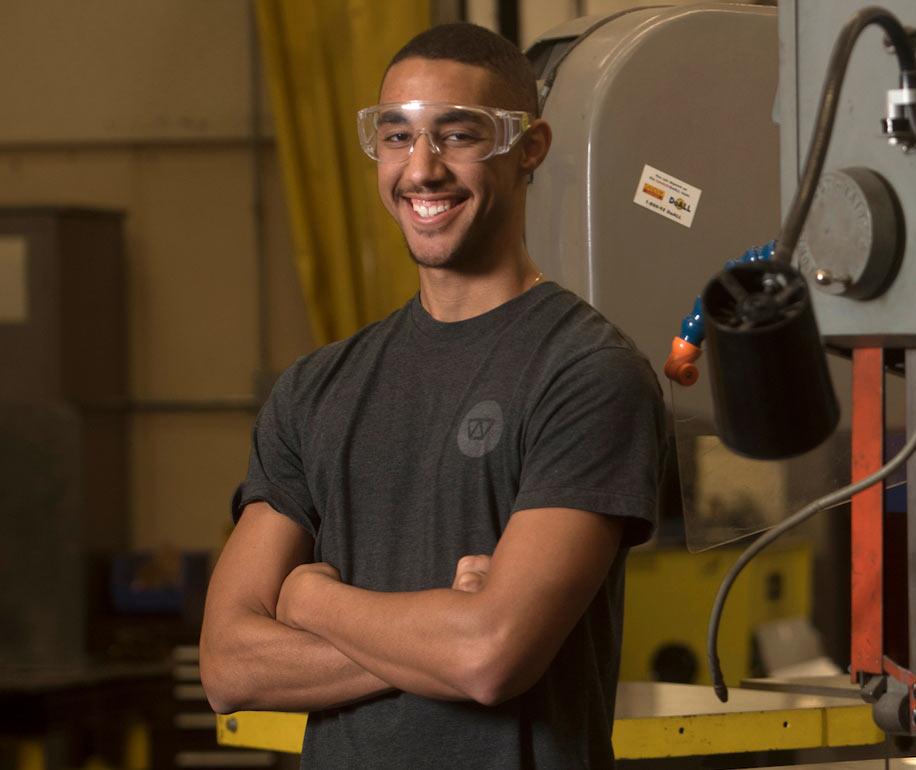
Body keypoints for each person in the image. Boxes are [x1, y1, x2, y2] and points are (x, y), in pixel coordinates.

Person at [199, 22, 668, 769]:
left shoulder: (586, 373)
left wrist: (309, 602)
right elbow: (227, 664)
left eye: (458, 136)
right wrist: (440, 632)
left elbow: (490, 656)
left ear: (531, 149)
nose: (421, 170)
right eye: (396, 137)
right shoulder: (317, 388)